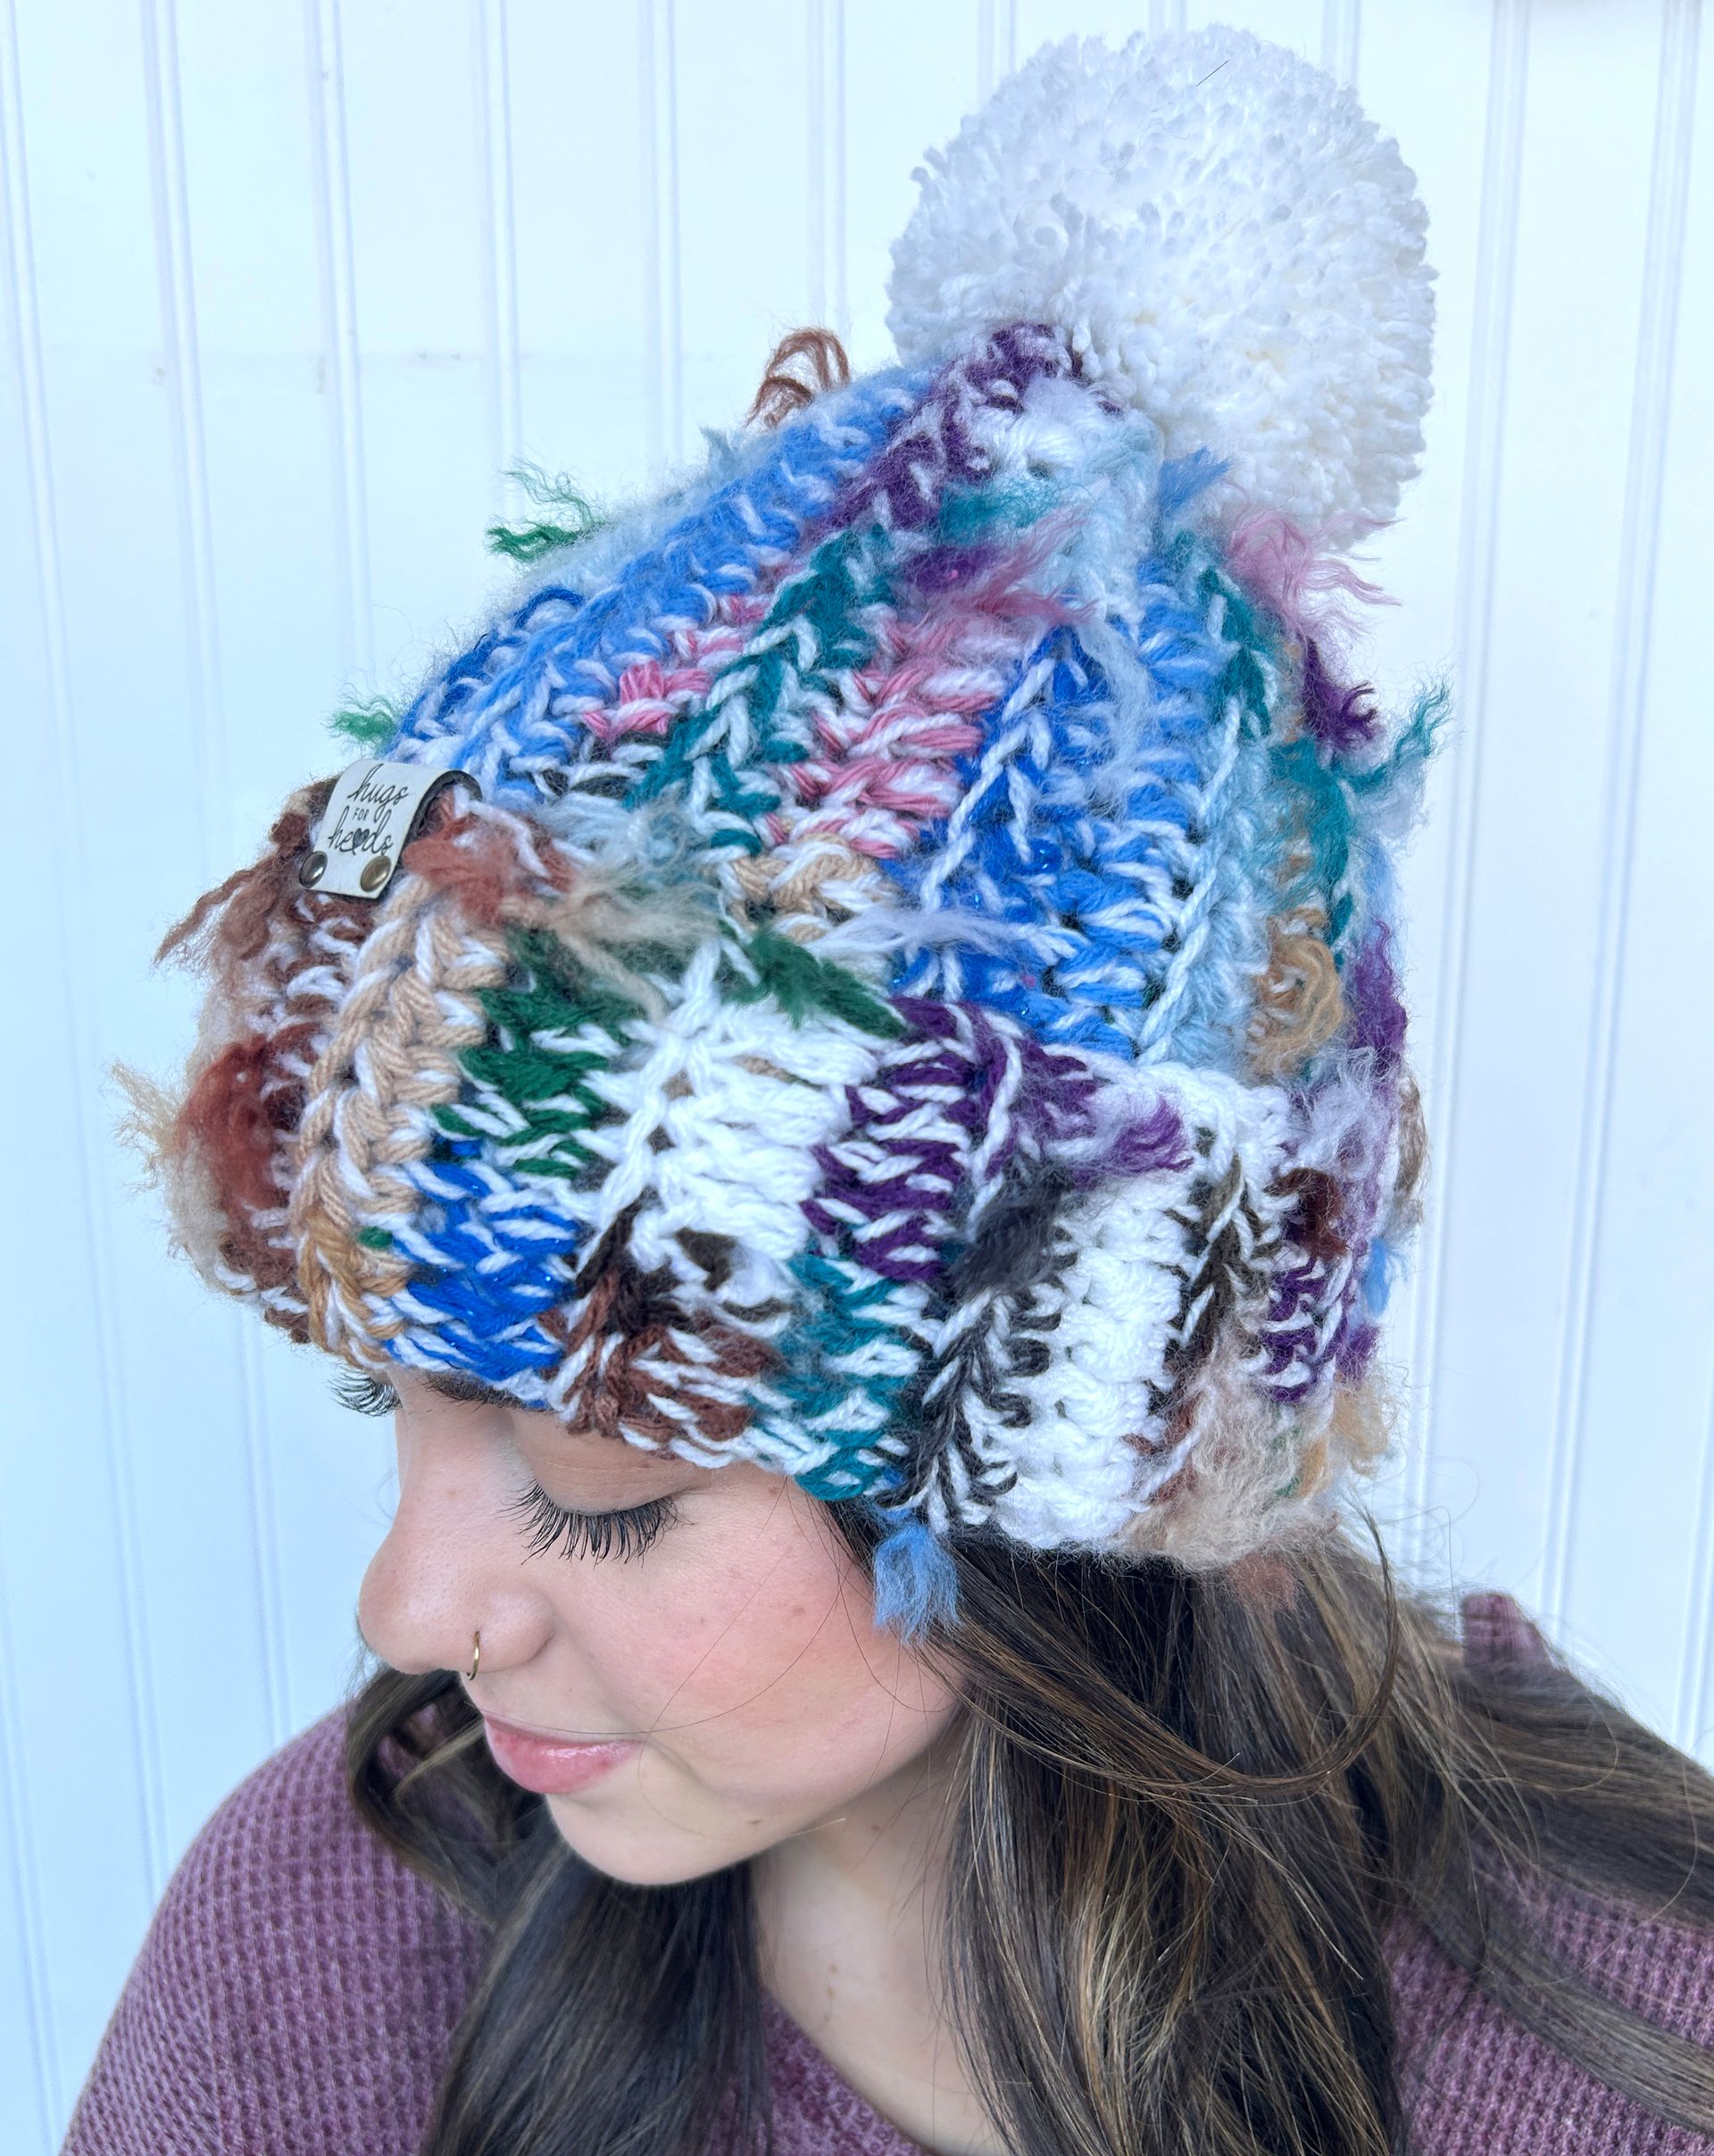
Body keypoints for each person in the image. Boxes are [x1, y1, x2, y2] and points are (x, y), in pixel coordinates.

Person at [66, 26, 1714, 2156]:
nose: (404, 1609)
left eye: (602, 1476)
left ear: (1082, 1497)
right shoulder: (332, 1928)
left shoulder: (1619, 2044)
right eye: (399, 1398)